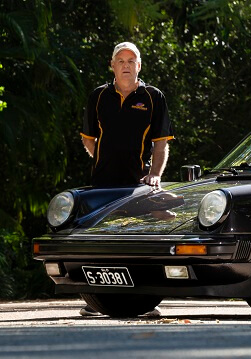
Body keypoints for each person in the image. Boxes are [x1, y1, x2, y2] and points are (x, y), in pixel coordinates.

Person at [78, 41, 174, 317]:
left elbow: (161, 144)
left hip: (138, 184)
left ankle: (144, 300)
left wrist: (155, 174)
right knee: (101, 242)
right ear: (112, 65)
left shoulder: (153, 97)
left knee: (140, 241)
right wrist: (103, 159)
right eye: (120, 60)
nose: (126, 65)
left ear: (139, 66)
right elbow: (88, 138)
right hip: (103, 183)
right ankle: (96, 301)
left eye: (132, 61)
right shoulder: (98, 96)